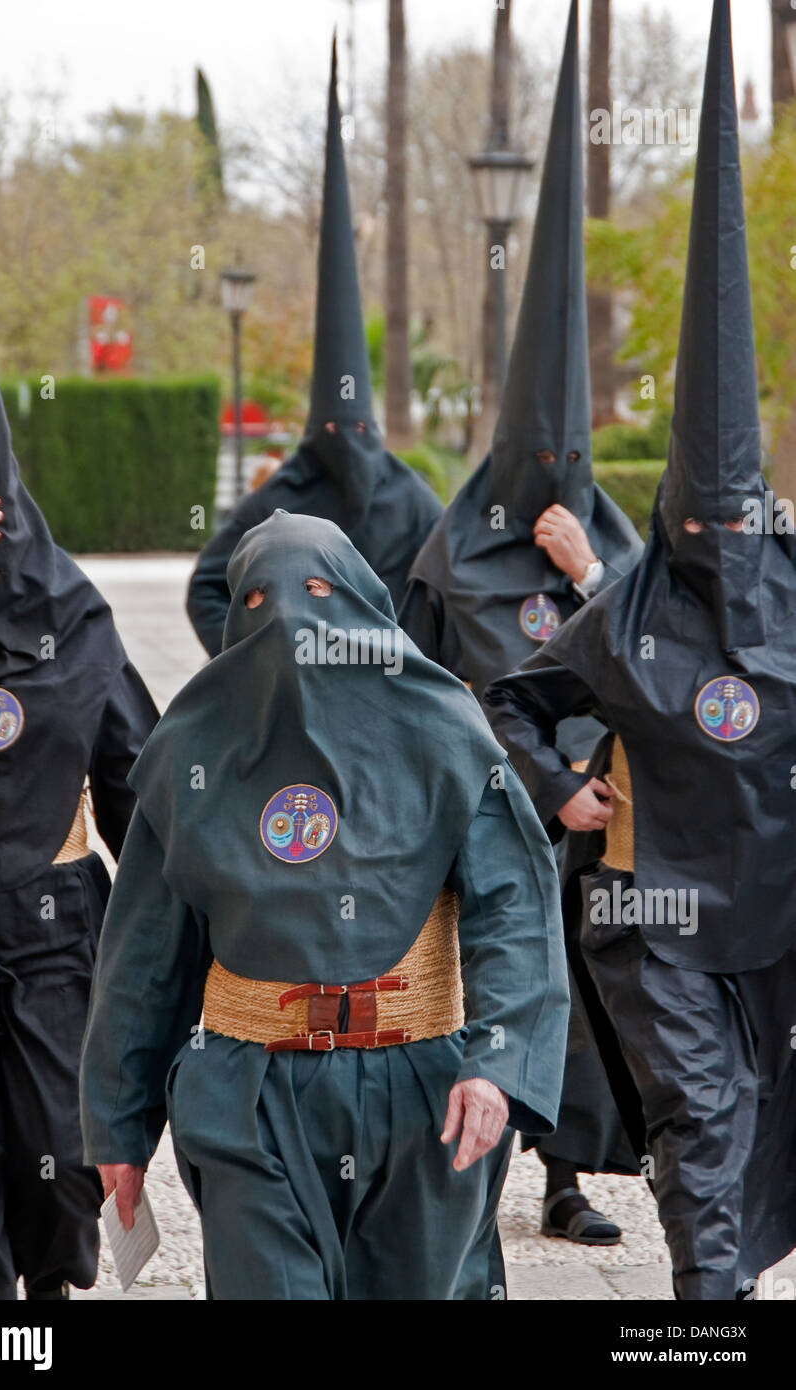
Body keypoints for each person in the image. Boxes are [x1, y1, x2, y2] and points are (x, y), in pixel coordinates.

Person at [485, 0, 796, 1301]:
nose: (717, 538)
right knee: (698, 1124)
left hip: (770, 906)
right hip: (648, 902)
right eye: (697, 520)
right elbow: (503, 695)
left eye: (737, 518)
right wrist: (561, 785)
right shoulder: (617, 611)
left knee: (756, 1119)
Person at [81, 509, 570, 1300]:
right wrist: (119, 1125)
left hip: (422, 1094)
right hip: (248, 1093)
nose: (294, 623)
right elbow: (142, 956)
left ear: (359, 602)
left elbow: (513, 908)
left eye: (316, 591)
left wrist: (496, 1064)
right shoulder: (189, 750)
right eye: (261, 602)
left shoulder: (446, 731)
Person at [0, 1, 158, 1302]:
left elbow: (150, 787)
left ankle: (44, 1304)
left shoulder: (82, 630)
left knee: (58, 1148)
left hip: (55, 917)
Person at [400, 0, 642, 1245]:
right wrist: (522, 784)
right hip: (483, 818)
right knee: (487, 984)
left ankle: (568, 1175)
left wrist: (591, 561)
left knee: (590, 999)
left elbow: (652, 658)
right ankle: (468, 1181)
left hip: (594, 826)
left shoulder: (614, 542)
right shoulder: (448, 554)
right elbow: (420, 687)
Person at [186, 40, 441, 659]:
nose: (345, 440)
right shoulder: (275, 504)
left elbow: (447, 593)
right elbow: (207, 589)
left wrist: (413, 665)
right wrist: (256, 656)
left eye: (356, 426)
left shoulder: (412, 501)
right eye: (333, 427)